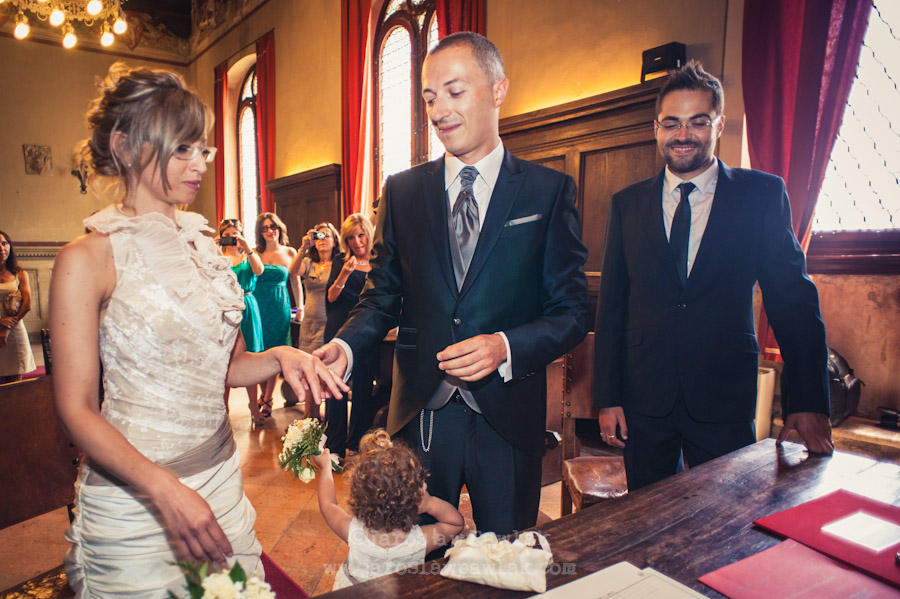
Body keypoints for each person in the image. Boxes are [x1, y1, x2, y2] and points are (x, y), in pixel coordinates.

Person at [50, 63, 346, 598]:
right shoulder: (86, 258)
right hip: (137, 502)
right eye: (182, 148)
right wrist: (163, 489)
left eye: (202, 148)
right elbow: (77, 410)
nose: (200, 163)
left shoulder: (205, 250)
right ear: (126, 146)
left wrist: (281, 355)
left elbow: (228, 367)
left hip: (221, 481)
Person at [316, 32, 590, 536]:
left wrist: (505, 346)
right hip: (421, 414)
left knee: (505, 555)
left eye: (454, 91)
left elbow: (572, 311)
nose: (438, 111)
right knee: (415, 557)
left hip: (507, 416)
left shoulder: (547, 191)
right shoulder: (402, 192)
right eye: (429, 97)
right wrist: (346, 346)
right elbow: (381, 296)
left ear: (498, 89)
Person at [592, 60, 832, 492]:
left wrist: (809, 400)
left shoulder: (760, 195)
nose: (683, 134)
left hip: (723, 394)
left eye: (698, 122)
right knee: (647, 519)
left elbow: (792, 300)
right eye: (672, 123)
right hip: (645, 398)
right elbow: (611, 306)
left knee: (728, 515)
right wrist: (608, 397)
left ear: (719, 125)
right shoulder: (627, 203)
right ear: (656, 129)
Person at [312, 429, 464, 590]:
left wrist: (326, 466)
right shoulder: (420, 541)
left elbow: (328, 504)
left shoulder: (352, 531)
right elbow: (455, 524)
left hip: (352, 593)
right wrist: (430, 504)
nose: (424, 484)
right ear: (412, 502)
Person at [323, 214, 378, 457]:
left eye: (360, 235)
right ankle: (335, 446)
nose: (356, 242)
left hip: (366, 330)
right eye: (351, 238)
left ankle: (357, 443)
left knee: (364, 387)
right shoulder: (341, 260)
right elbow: (331, 297)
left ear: (368, 234)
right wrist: (344, 274)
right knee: (336, 387)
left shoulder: (379, 261)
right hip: (340, 328)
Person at [218, 218, 266, 427]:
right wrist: (211, 250)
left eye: (235, 234)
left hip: (247, 307)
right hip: (225, 309)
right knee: (225, 359)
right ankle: (223, 408)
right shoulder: (218, 257)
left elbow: (259, 271)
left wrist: (247, 248)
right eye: (227, 235)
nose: (231, 239)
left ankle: (254, 406)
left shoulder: (249, 255)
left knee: (250, 357)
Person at [290, 222, 340, 420]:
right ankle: (309, 417)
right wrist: (303, 248)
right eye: (318, 236)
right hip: (309, 324)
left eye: (326, 235)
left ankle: (322, 417)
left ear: (335, 240)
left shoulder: (338, 264)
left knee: (323, 370)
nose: (322, 240)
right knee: (307, 370)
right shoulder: (309, 263)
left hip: (329, 322)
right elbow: (293, 271)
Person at [253, 212, 300, 415]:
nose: (269, 231)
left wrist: (300, 308)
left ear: (279, 229)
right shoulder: (254, 252)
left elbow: (295, 281)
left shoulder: (289, 252)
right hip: (258, 305)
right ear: (260, 232)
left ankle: (268, 398)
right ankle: (263, 394)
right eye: (264, 228)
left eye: (273, 227)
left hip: (280, 306)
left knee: (276, 350)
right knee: (260, 351)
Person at [0, 230, 36, 383]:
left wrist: (7, 328)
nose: (2, 248)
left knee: (16, 380)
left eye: (4, 243)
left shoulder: (19, 273)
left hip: (15, 329)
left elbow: (27, 304)